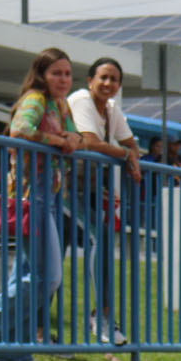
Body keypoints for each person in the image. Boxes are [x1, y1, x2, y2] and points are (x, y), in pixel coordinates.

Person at [0, 47, 80, 361]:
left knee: (27, 275)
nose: (63, 79)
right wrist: (60, 141)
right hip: (32, 196)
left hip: (50, 196)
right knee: (48, 277)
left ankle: (14, 349)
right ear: (41, 75)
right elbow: (20, 130)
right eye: (56, 72)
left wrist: (73, 140)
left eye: (68, 73)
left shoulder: (61, 104)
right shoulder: (35, 99)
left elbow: (76, 136)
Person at [69, 56, 141, 346]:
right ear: (90, 81)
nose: (108, 84)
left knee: (46, 267)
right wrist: (126, 156)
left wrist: (130, 155)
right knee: (99, 241)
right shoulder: (81, 100)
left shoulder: (112, 109)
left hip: (91, 188)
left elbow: (131, 143)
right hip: (66, 186)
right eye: (103, 78)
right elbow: (89, 142)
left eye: (114, 79)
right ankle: (101, 316)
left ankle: (104, 315)